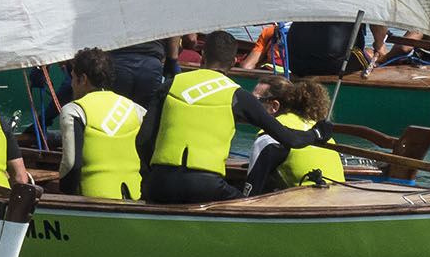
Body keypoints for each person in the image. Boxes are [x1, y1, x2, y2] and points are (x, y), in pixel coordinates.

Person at [140, 31, 329, 204]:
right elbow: (291, 139)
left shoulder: (170, 85)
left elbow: (143, 140)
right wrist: (317, 133)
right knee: (250, 204)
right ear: (232, 63)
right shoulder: (238, 96)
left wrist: (155, 175)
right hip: (207, 187)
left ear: (203, 56)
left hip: (160, 184)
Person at [55, 48, 146, 200]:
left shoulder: (74, 110)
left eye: (72, 78)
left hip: (93, 200)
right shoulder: (137, 110)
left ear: (83, 79)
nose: (71, 84)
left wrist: (64, 196)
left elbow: (71, 165)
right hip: (135, 198)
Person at [244, 78, 345, 194]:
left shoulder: (269, 137)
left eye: (255, 100)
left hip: (306, 204)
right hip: (339, 198)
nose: (249, 106)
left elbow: (250, 193)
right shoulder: (318, 130)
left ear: (274, 106)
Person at [106, 38, 177, 106]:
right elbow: (174, 30)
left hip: (119, 58)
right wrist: (172, 61)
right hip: (151, 62)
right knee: (146, 112)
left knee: (115, 110)